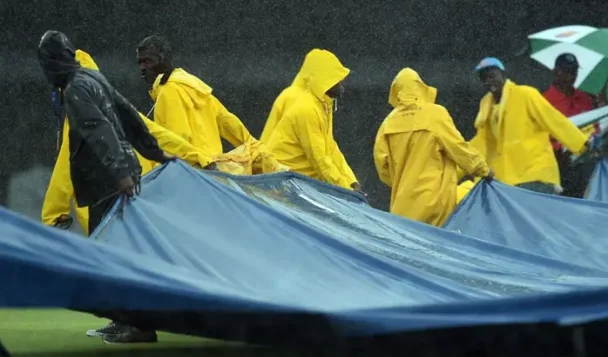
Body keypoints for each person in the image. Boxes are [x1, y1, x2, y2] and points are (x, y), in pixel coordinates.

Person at [38, 31, 174, 344]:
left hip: (107, 182)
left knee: (115, 256)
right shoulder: (93, 79)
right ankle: (124, 320)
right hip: (116, 177)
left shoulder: (75, 88)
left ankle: (138, 325)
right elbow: (129, 115)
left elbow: (99, 131)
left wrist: (121, 173)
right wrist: (153, 151)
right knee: (119, 252)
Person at [43, 49, 216, 234]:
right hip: (140, 199)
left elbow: (65, 169)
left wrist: (54, 215)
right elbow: (157, 136)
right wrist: (198, 157)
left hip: (107, 212)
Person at [135, 35, 280, 173]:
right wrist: (261, 153)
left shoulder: (168, 91)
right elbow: (228, 122)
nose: (142, 68)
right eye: (140, 63)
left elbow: (177, 140)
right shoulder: (194, 86)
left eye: (148, 61)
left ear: (163, 59)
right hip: (214, 168)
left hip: (195, 172)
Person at [374, 68, 492, 227]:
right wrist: (482, 169)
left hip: (403, 209)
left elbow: (383, 171)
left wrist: (406, 180)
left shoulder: (387, 124)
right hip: (437, 204)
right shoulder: (435, 114)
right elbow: (458, 148)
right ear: (419, 86)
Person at [470, 57, 599, 195]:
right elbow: (482, 142)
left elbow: (554, 120)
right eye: (484, 78)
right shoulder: (487, 107)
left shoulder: (525, 94)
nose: (489, 81)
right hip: (509, 180)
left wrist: (582, 145)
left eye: (492, 76)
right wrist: (460, 163)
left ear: (503, 74)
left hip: (535, 174)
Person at [265, 49, 364, 194]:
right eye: (338, 77)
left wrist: (351, 181)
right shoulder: (307, 109)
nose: (343, 81)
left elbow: (330, 148)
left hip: (294, 182)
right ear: (326, 80)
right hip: (280, 185)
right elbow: (319, 158)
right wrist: (345, 190)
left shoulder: (323, 105)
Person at [542, 53, 605, 198]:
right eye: (566, 71)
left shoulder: (585, 99)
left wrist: (601, 109)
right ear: (556, 72)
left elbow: (594, 128)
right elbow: (539, 135)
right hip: (554, 163)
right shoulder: (543, 100)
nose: (571, 76)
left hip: (581, 162)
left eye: (574, 72)